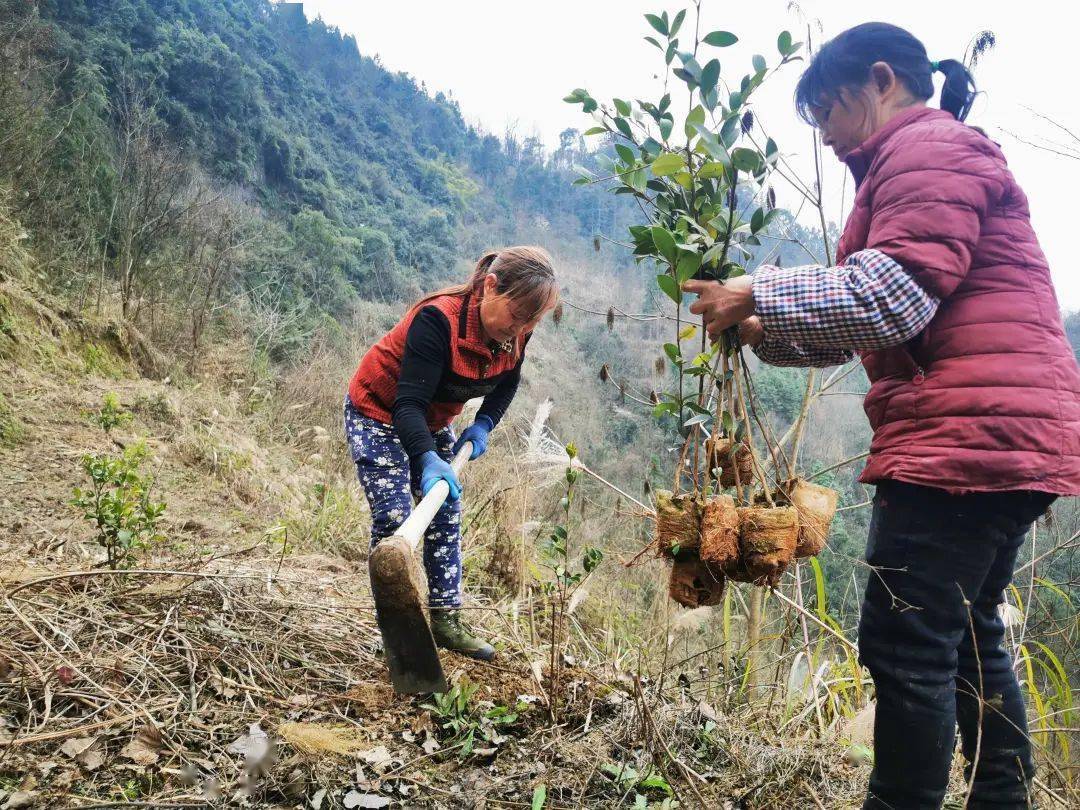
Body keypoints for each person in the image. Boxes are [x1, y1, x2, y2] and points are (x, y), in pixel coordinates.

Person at [682, 22, 1080, 810]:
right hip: (1013, 436)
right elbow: (875, 315)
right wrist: (764, 333)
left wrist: (756, 290)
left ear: (879, 80)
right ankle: (1003, 795)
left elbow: (888, 296)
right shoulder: (919, 163)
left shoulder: (927, 152)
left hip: (962, 441)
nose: (825, 136)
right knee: (968, 634)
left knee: (907, 646)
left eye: (827, 111)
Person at [345, 246, 558, 661]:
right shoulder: (437, 320)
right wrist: (426, 460)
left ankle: (445, 620)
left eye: (531, 322)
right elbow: (406, 404)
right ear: (491, 287)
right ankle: (397, 633)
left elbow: (507, 383)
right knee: (394, 521)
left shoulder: (516, 332)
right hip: (378, 411)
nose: (520, 330)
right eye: (517, 316)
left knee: (445, 512)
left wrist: (483, 424)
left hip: (430, 419)